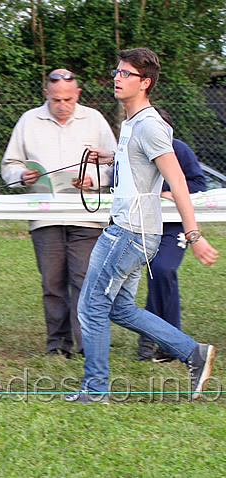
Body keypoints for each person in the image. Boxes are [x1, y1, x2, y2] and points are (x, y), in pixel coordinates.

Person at [65, 48, 218, 403]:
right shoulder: (132, 124)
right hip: (131, 230)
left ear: (144, 83)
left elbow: (177, 180)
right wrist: (110, 157)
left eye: (125, 74)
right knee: (118, 308)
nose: (117, 78)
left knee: (90, 306)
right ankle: (193, 352)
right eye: (117, 71)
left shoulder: (149, 125)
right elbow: (138, 170)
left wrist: (193, 235)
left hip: (129, 233)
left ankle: (95, 389)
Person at [1, 69, 117, 358]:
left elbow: (117, 165)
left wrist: (93, 180)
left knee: (84, 281)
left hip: (86, 216)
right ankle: (57, 345)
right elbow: (8, 166)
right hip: (45, 217)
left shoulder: (95, 119)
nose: (62, 105)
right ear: (46, 95)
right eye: (56, 100)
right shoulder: (28, 120)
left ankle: (87, 344)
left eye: (68, 98)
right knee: (52, 283)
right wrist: (21, 175)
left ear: (78, 94)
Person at [135, 106, 206, 362]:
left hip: (174, 224)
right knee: (152, 275)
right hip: (141, 222)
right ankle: (157, 339)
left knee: (163, 270)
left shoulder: (180, 150)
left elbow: (198, 184)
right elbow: (116, 182)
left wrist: (170, 191)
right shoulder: (135, 149)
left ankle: (165, 341)